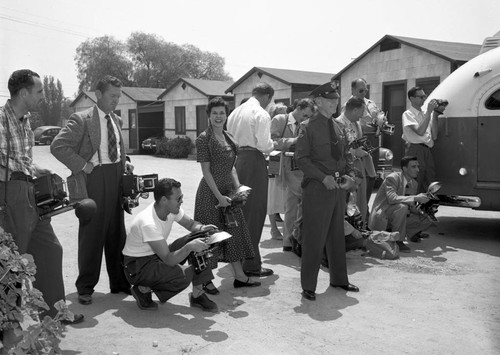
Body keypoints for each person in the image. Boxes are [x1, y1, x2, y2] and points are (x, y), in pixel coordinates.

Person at [0, 69, 83, 324]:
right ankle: (9, 324)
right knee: (12, 263)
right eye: (39, 92)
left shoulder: (25, 123)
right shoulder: (1, 120)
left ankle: (54, 313)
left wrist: (36, 170)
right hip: (9, 193)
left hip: (29, 193)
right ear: (24, 93)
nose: (42, 98)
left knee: (50, 250)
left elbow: (20, 161)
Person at [51, 75, 132, 305]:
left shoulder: (116, 119)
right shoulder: (82, 119)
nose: (116, 100)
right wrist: (83, 165)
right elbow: (57, 146)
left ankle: (119, 283)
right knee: (92, 234)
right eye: (112, 96)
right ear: (99, 95)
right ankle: (85, 287)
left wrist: (124, 163)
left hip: (116, 176)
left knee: (117, 232)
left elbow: (114, 148)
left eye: (119, 96)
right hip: (93, 178)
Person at [295, 80, 359, 302]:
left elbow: (347, 156)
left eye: (336, 99)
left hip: (338, 189)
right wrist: (323, 178)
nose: (335, 103)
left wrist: (351, 177)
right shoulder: (307, 127)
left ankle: (339, 279)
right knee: (314, 237)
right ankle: (308, 286)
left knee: (336, 236)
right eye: (331, 99)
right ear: (319, 101)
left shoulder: (339, 126)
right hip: (317, 189)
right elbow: (301, 159)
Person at [194, 97, 260, 294]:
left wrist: (238, 189)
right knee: (211, 238)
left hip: (229, 194)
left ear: (226, 115)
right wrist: (219, 198)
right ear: (209, 115)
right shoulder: (203, 139)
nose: (218, 116)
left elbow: (232, 168)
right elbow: (206, 172)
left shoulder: (230, 137)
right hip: (210, 194)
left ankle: (239, 277)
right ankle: (205, 281)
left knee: (234, 234)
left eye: (221, 113)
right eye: (214, 113)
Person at [122, 178, 219, 312]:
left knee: (202, 237)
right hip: (138, 266)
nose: (181, 201)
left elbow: (191, 224)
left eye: (182, 197)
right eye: (178, 199)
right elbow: (168, 259)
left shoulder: (171, 209)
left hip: (156, 255)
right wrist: (189, 247)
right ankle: (142, 288)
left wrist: (203, 228)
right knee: (184, 275)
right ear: (163, 200)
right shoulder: (148, 223)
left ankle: (198, 295)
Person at [226, 83, 276, 277]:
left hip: (236, 161)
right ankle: (251, 263)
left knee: (239, 211)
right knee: (255, 212)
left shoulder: (235, 112)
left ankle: (238, 258)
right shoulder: (260, 113)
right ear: (268, 97)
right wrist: (273, 145)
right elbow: (264, 145)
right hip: (254, 161)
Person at [270, 98, 314, 252]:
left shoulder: (307, 124)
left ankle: (291, 241)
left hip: (302, 169)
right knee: (299, 203)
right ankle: (294, 240)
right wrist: (294, 141)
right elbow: (272, 142)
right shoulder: (280, 120)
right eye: (306, 115)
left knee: (292, 207)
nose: (306, 119)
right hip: (286, 168)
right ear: (299, 108)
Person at [369, 156, 434, 251]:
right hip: (383, 215)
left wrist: (422, 209)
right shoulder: (392, 178)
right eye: (413, 167)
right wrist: (416, 197)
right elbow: (392, 199)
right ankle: (398, 241)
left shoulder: (413, 183)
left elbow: (410, 206)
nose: (417, 170)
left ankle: (410, 233)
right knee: (401, 207)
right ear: (404, 168)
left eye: (418, 166)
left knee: (426, 218)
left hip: (396, 214)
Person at [346, 78, 382, 203]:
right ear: (353, 90)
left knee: (372, 176)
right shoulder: (348, 105)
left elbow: (379, 116)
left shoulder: (370, 103)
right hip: (358, 143)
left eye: (366, 90)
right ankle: (359, 210)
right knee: (359, 178)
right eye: (361, 90)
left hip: (372, 140)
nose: (364, 92)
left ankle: (364, 207)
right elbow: (349, 126)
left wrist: (381, 123)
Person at [336, 97, 371, 223]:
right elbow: (338, 149)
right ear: (355, 110)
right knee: (350, 200)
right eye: (362, 112)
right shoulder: (339, 123)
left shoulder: (356, 124)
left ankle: (360, 225)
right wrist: (355, 152)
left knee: (361, 198)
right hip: (347, 167)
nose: (362, 116)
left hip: (358, 164)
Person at [402, 87, 440, 193]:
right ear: (412, 98)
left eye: (425, 96)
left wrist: (435, 115)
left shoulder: (426, 114)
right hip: (415, 150)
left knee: (430, 179)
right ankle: (412, 207)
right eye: (421, 96)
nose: (424, 99)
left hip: (427, 149)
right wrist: (428, 112)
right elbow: (420, 131)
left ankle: (426, 206)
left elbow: (435, 136)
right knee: (415, 180)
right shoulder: (408, 114)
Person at [266, 102, 288, 241]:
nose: (285, 114)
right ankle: (274, 229)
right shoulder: (275, 123)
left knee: (286, 194)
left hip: (287, 161)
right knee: (273, 193)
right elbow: (273, 141)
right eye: (282, 111)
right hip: (275, 160)